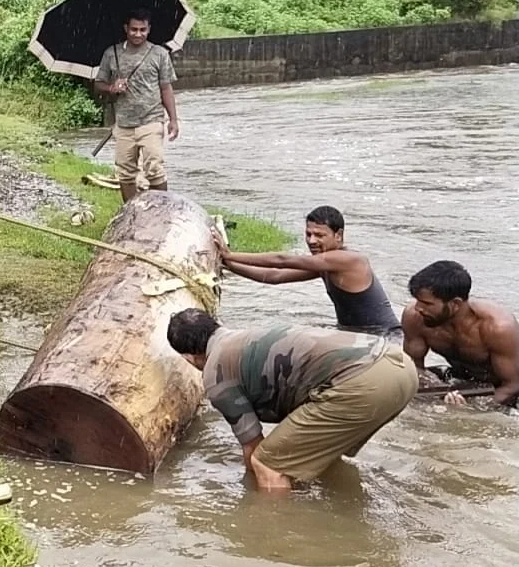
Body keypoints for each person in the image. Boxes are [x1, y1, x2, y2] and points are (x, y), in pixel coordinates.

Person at [167, 309, 417, 492]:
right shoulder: (246, 336)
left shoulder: (216, 372)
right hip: (401, 366)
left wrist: (252, 494)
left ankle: (275, 541)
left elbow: (253, 447)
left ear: (189, 358)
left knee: (266, 463)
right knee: (322, 456)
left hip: (363, 383)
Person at [214, 206, 401, 338]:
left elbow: (282, 261)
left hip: (383, 337)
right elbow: (274, 277)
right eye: (308, 234)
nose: (311, 241)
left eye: (319, 235)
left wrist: (231, 254)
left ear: (339, 236)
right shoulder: (324, 265)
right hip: (357, 335)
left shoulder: (349, 260)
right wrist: (227, 263)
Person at [402, 260, 519, 409]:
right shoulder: (414, 318)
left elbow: (513, 385)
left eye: (427, 304)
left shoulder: (497, 328)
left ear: (455, 304)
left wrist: (472, 410)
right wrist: (438, 390)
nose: (418, 308)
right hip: (460, 378)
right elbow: (412, 368)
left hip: (504, 387)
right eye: (417, 300)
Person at [92, 8, 180, 203]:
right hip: (123, 123)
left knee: (154, 167)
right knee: (124, 171)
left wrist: (173, 119)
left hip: (151, 119)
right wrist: (112, 87)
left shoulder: (159, 53)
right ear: (126, 28)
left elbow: (166, 88)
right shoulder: (111, 53)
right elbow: (98, 84)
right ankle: (130, 213)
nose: (138, 34)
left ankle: (162, 210)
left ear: (149, 29)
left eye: (143, 29)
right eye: (134, 29)